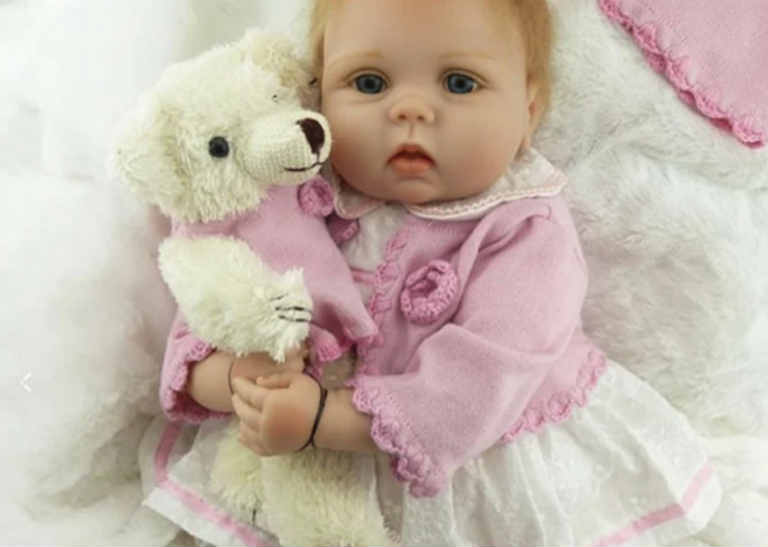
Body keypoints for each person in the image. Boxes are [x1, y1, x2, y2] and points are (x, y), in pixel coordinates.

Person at [224, 1, 722, 546]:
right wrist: (239, 383)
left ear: (528, 114)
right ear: (319, 97)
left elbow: (490, 368)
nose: (410, 109)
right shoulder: (300, 196)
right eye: (369, 82)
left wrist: (326, 420)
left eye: (459, 83)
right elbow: (222, 298)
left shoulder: (524, 228)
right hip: (303, 452)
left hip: (481, 455)